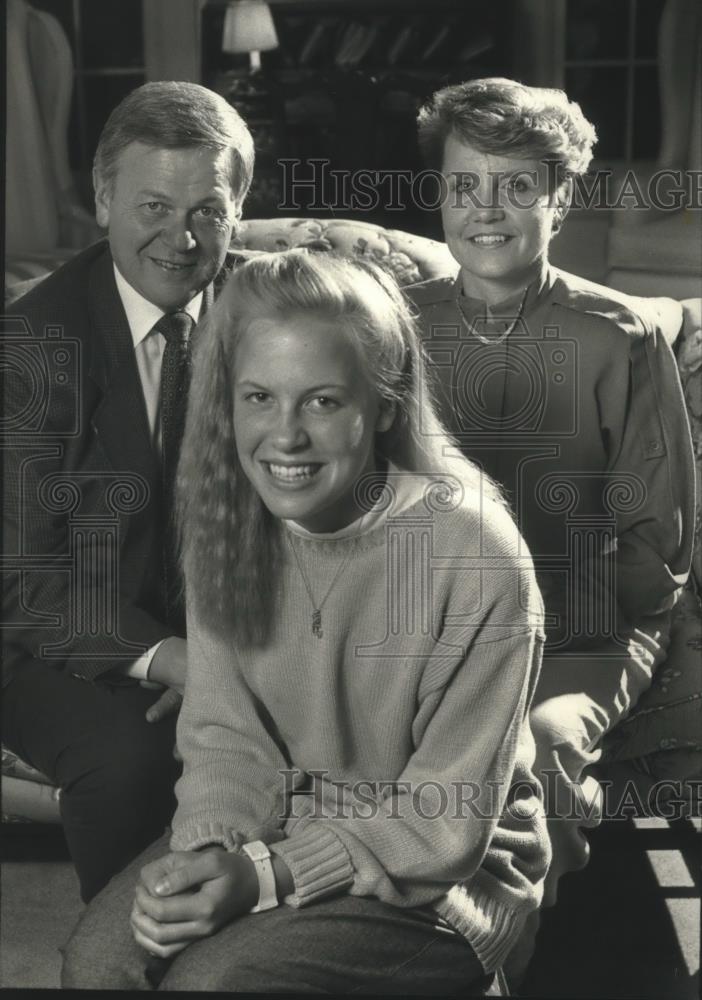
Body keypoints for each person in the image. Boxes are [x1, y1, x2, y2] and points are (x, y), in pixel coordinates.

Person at [62, 250, 549, 993]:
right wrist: (211, 849)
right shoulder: (230, 519)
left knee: (211, 982)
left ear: (384, 406)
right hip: (279, 827)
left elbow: (442, 823)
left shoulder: (475, 555)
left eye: (322, 402)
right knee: (97, 963)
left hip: (443, 872)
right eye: (259, 397)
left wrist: (261, 877)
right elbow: (227, 740)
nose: (284, 437)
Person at [407, 77, 696, 903]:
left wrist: (537, 627)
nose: (485, 210)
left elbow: (656, 550)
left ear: (561, 203)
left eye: (516, 189)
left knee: (537, 745)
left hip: (585, 631)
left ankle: (539, 936)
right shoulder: (392, 322)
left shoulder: (620, 334)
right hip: (430, 626)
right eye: (464, 187)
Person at [2, 81, 254, 902]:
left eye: (208, 211)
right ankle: (133, 956)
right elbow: (23, 581)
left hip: (227, 625)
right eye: (152, 205)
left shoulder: (277, 311)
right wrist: (176, 658)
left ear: (238, 210)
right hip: (49, 631)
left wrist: (232, 655)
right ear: (105, 198)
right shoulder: (32, 347)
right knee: (131, 759)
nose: (180, 239)